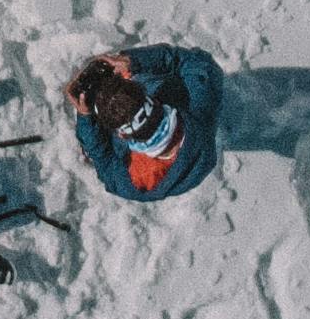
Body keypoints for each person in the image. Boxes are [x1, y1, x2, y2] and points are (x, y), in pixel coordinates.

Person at [65, 45, 223, 202]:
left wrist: (86, 118)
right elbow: (199, 63)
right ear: (153, 100)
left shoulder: (136, 181)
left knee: (94, 143)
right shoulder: (201, 111)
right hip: (196, 154)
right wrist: (134, 63)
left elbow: (105, 163)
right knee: (158, 83)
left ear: (121, 134)